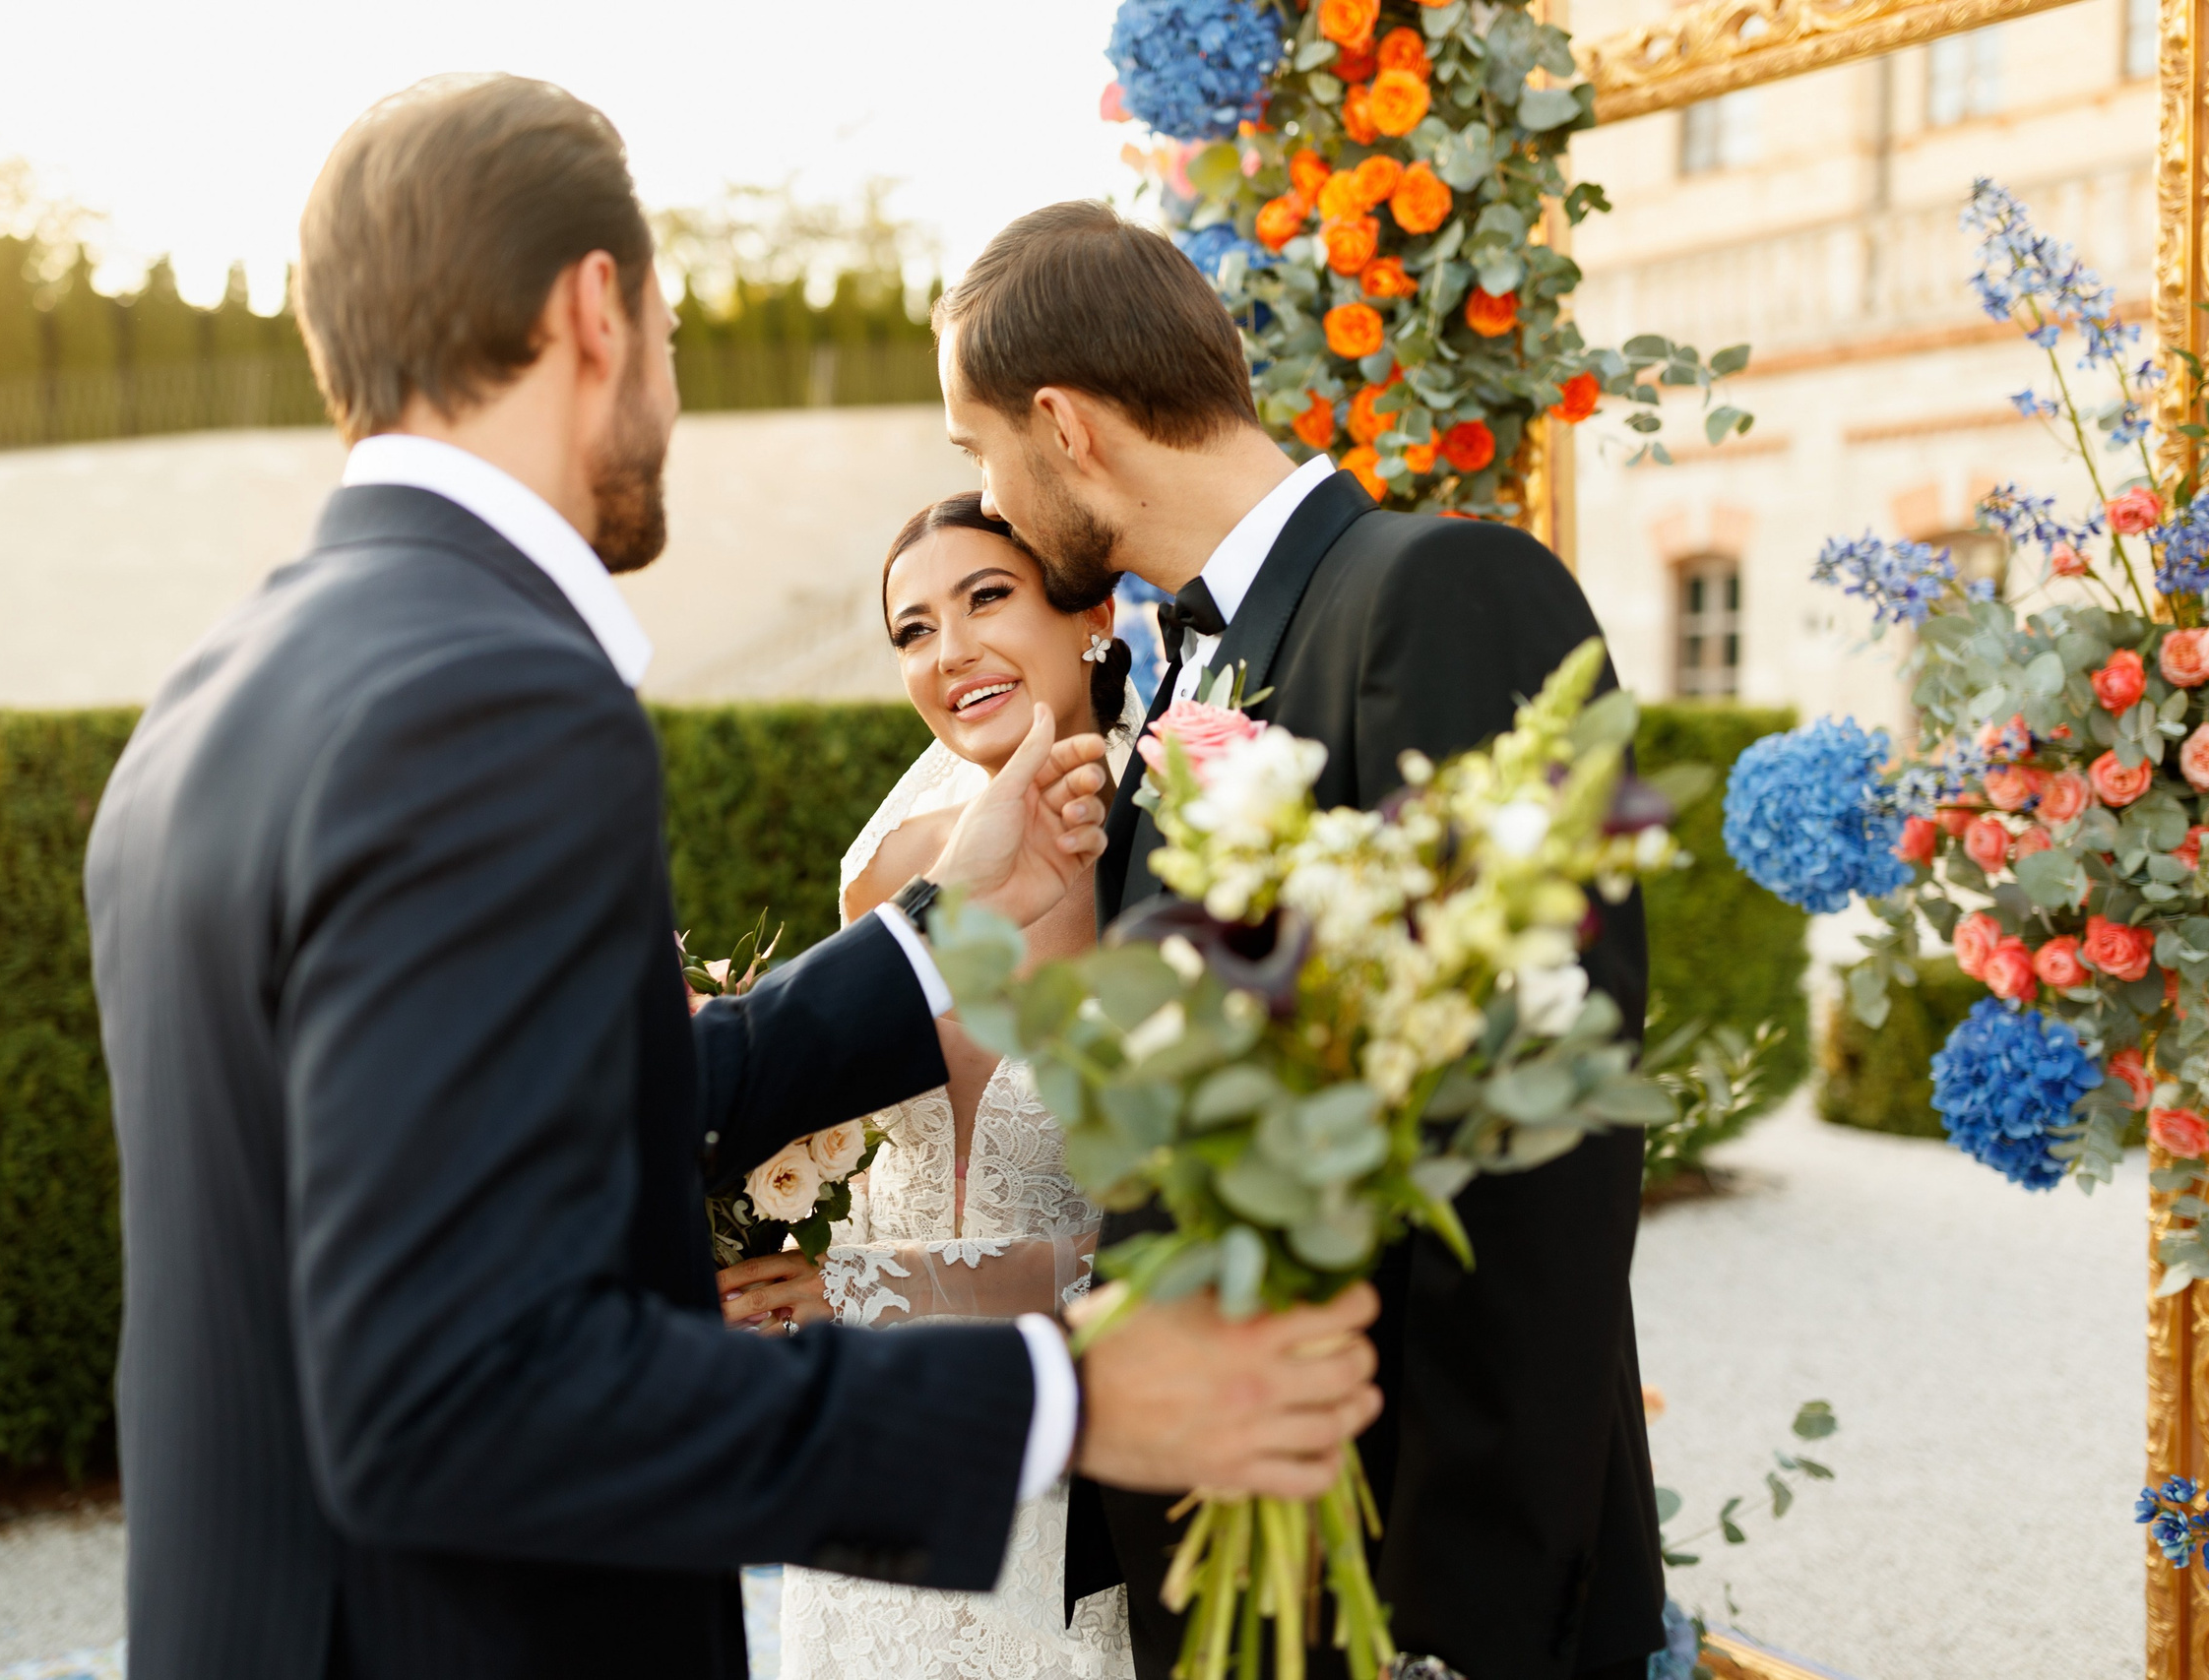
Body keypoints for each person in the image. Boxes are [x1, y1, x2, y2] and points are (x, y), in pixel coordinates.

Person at [82, 80, 1383, 1680]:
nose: (677, 400)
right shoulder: (491, 693)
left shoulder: (212, 700)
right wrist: (1074, 1394)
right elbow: (458, 1397)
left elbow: (535, 1127)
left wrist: (936, 937)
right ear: (597, 310)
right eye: (681, 336)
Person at [932, 200, 1664, 1680]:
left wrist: (1459, 1627)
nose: (994, 501)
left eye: (980, 452)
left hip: (1398, 1575)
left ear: (1063, 425)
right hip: (1229, 1566)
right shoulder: (1189, 664)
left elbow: (1536, 1143)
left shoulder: (1440, 593)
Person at [715, 493, 1144, 1679]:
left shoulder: (1169, 861)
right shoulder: (894, 872)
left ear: (1095, 613)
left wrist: (865, 1291)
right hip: (872, 1469)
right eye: (911, 630)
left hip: (1072, 1488)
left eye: (986, 598)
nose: (948, 651)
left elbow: (1168, 1248)